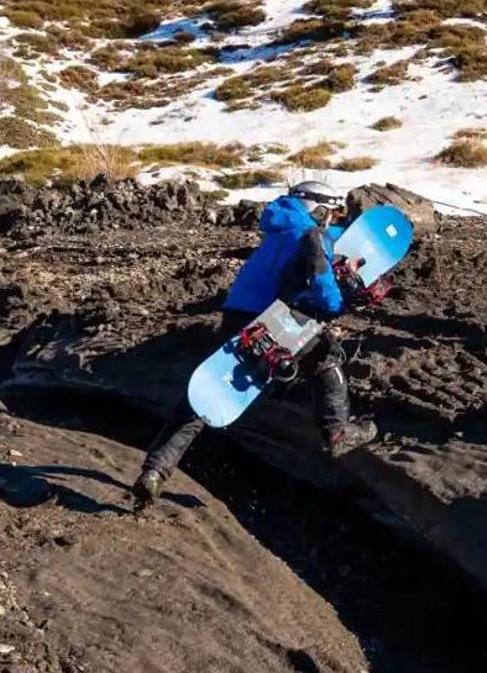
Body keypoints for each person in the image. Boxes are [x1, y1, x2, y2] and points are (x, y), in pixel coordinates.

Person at [131, 181, 379, 507]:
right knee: (324, 357)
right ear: (317, 208)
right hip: (273, 318)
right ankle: (337, 431)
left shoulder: (282, 226)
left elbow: (317, 244)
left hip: (237, 313)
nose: (331, 219)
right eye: (330, 212)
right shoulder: (311, 235)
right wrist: (337, 306)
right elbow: (323, 283)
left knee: (209, 392)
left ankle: (155, 470)